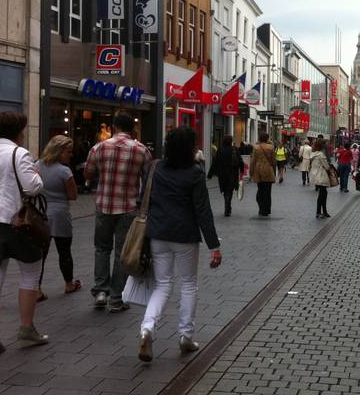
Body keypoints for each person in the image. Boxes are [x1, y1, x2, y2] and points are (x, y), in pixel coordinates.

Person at [137, 127, 222, 362]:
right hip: (185, 236)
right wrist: (214, 245)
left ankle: (147, 329)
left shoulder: (155, 167)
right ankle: (185, 336)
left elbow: (143, 199)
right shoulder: (195, 174)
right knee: (188, 284)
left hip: (158, 234)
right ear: (190, 148)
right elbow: (203, 211)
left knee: (162, 285)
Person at [0, 112, 48, 356]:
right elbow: (33, 186)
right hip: (17, 222)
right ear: (17, 132)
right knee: (29, 275)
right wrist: (36, 173)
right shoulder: (19, 153)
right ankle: (27, 329)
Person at [85, 112, 153, 312]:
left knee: (101, 248)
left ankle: (100, 292)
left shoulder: (98, 147)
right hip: (129, 208)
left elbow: (88, 173)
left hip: (104, 205)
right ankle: (116, 298)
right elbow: (149, 179)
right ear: (132, 129)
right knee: (122, 253)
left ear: (114, 127)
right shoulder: (141, 150)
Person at [35, 135, 80, 303]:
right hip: (60, 215)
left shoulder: (36, 165)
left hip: (41, 214)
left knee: (41, 254)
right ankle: (69, 284)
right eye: (68, 151)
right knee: (64, 252)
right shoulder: (64, 171)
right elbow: (73, 195)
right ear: (59, 152)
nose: (71, 155)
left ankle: (36, 289)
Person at [207, 135, 244, 217]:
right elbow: (240, 161)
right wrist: (242, 171)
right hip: (232, 174)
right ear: (231, 141)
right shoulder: (234, 149)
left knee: (225, 190)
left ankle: (227, 205)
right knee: (229, 190)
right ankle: (228, 206)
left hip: (222, 174)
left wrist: (210, 174)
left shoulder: (220, 150)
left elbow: (215, 163)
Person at [249, 133, 276, 216]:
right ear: (267, 138)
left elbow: (253, 161)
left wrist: (251, 173)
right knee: (267, 192)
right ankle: (267, 209)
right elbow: (274, 161)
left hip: (259, 171)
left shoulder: (256, 148)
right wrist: (274, 172)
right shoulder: (271, 147)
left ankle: (261, 208)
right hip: (268, 170)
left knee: (260, 190)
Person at [310, 139, 332, 219]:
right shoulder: (321, 155)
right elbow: (327, 167)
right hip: (321, 176)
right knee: (322, 194)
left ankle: (324, 212)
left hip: (315, 176)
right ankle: (319, 212)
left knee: (323, 193)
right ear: (322, 146)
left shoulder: (313, 154)